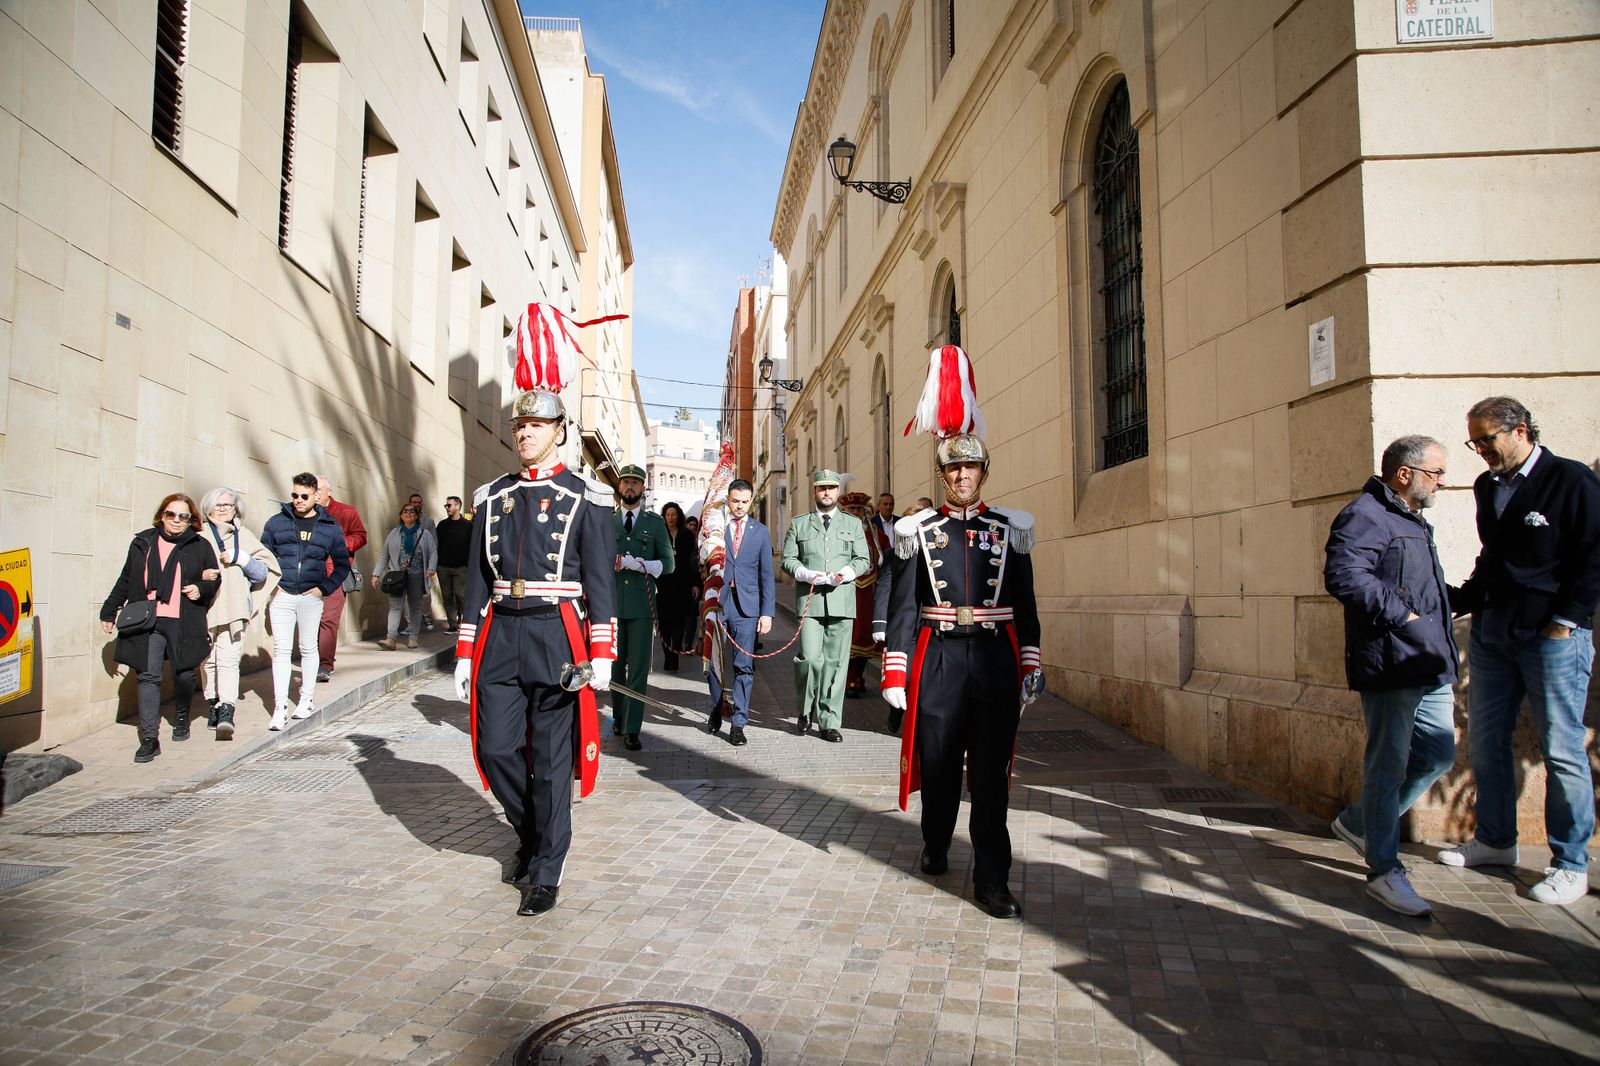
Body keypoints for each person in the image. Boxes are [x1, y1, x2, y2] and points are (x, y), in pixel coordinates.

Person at [452, 300, 618, 918]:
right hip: (501, 631)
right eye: (519, 426)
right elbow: (475, 580)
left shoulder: (587, 496)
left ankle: (548, 865)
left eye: (535, 426)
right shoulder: (491, 496)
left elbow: (599, 580)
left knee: (551, 760)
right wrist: (467, 650)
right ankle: (531, 835)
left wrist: (602, 652)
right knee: (495, 749)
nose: (523, 434)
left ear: (558, 432)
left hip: (557, 632)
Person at [882, 344, 1042, 919]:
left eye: (970, 467)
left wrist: (1030, 663)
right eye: (952, 468)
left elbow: (1024, 605)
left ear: (982, 472)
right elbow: (903, 608)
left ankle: (993, 881)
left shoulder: (1010, 530)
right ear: (944, 475)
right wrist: (896, 671)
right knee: (943, 764)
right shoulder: (917, 532)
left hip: (995, 661)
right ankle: (935, 839)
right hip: (941, 660)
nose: (961, 476)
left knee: (993, 778)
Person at [1437, 397, 1600, 906]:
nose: (1481, 450)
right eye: (1475, 441)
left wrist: (1565, 622)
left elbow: (1594, 556)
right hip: (1493, 634)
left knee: (1563, 748)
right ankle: (1495, 841)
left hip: (1552, 638)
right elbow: (1494, 559)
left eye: (1488, 439)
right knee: (1486, 742)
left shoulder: (1571, 481)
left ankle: (1570, 863)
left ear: (1521, 430)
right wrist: (1456, 600)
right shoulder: (1489, 487)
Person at [1323, 436, 1458, 917]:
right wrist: (1406, 619)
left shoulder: (1411, 519)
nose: (1443, 482)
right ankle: (1384, 870)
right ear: (1406, 473)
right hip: (1392, 660)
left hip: (1428, 661)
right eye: (1436, 473)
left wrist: (1457, 599)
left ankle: (1361, 822)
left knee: (1439, 754)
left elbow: (1416, 584)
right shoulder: (1366, 514)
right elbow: (1345, 575)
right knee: (1388, 764)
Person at [100, 494, 222, 763]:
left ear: (192, 520)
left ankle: (181, 716)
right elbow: (127, 578)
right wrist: (109, 609)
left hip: (183, 618)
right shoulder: (143, 542)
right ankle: (149, 739)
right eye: (171, 514)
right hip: (148, 618)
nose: (177, 521)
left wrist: (200, 588)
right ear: (162, 515)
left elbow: (214, 578)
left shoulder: (200, 546)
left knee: (185, 672)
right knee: (147, 676)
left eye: (183, 516)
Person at [780, 469, 869, 742]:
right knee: (809, 659)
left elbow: (863, 559)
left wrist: (848, 572)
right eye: (822, 488)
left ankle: (829, 721)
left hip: (842, 601)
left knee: (836, 663)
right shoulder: (800, 524)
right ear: (815, 492)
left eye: (831, 487)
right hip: (810, 600)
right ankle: (805, 710)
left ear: (837, 491)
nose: (827, 492)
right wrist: (806, 573)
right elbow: (788, 559)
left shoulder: (853, 524)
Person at [260, 472, 350, 730]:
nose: (298, 500)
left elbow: (342, 565)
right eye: (295, 495)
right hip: (283, 594)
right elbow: (264, 557)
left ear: (316, 496)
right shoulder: (276, 523)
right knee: (281, 651)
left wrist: (324, 589)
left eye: (304, 496)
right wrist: (273, 586)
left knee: (309, 648)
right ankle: (279, 708)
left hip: (311, 595)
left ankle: (306, 699)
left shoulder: (329, 528)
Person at [197, 487, 280, 740]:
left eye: (228, 506)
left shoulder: (243, 536)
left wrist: (242, 559)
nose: (222, 509)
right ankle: (212, 702)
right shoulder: (198, 535)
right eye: (218, 505)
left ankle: (227, 709)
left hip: (234, 608)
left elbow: (263, 573)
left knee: (229, 660)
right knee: (207, 661)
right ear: (208, 508)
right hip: (204, 608)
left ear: (236, 510)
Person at [612, 465, 674, 750]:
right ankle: (618, 716)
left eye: (635, 482)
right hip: (610, 605)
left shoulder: (654, 523)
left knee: (636, 669)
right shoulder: (606, 520)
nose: (630, 486)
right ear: (620, 486)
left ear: (643, 488)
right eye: (626, 481)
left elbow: (668, 564)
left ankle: (632, 727)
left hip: (640, 606)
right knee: (613, 667)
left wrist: (641, 565)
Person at [709, 479, 773, 746]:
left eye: (745, 501)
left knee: (743, 666)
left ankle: (738, 722)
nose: (739, 506)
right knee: (712, 661)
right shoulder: (716, 528)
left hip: (748, 607)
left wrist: (766, 613)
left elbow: (767, 574)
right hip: (718, 601)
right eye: (735, 500)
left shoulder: (760, 531)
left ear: (751, 501)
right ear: (728, 498)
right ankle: (715, 709)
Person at [313, 476, 367, 683]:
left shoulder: (346, 512)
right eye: (313, 490)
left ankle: (324, 664)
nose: (315, 494)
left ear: (329, 491)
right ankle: (312, 658)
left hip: (335, 572)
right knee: (311, 619)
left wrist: (340, 543)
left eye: (319, 490)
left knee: (329, 619)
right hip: (309, 573)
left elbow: (361, 536)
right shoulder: (302, 513)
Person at [841, 491, 889, 699]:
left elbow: (887, 557)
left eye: (858, 509)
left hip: (869, 594)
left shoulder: (875, 532)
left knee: (866, 637)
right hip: (844, 592)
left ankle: (857, 676)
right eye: (851, 509)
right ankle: (848, 678)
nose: (855, 512)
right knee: (847, 637)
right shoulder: (836, 531)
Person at [373, 503, 438, 650]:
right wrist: (376, 573)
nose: (408, 513)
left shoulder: (424, 534)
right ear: (401, 515)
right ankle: (391, 639)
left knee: (415, 607)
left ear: (416, 515)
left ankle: (413, 638)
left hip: (417, 575)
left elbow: (433, 551)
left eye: (412, 511)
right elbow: (384, 554)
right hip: (397, 576)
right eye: (405, 511)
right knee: (395, 607)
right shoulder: (394, 534)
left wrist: (431, 568)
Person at [655, 501, 700, 672]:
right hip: (664, 584)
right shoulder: (659, 534)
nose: (670, 518)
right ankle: (669, 657)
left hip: (683, 584)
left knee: (679, 623)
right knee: (665, 623)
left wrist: (695, 583)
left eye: (673, 514)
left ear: (679, 516)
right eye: (667, 515)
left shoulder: (687, 535)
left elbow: (693, 562)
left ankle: (676, 654)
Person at [436, 496, 473, 631]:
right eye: (446, 506)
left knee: (460, 594)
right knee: (447, 596)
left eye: (449, 505)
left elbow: (472, 547)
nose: (447, 508)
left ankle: (464, 618)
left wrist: (469, 565)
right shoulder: (442, 525)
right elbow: (436, 545)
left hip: (461, 568)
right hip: (443, 566)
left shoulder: (468, 526)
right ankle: (453, 624)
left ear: (457, 506)